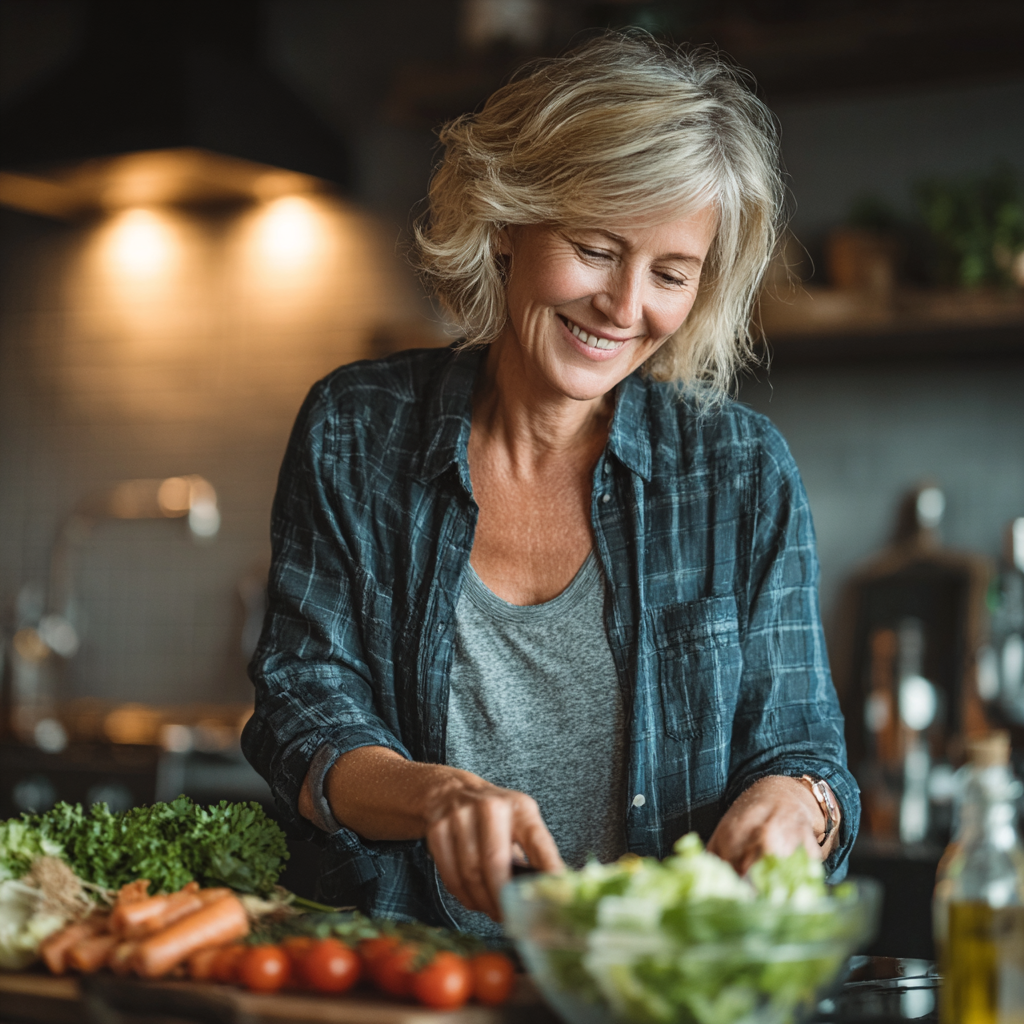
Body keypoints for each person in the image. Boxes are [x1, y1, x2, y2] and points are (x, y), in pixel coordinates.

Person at [242, 30, 858, 933]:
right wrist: (434, 795)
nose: (624, 306)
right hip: (409, 977)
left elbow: (806, 751)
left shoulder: (739, 472)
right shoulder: (358, 429)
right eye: (597, 248)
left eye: (671, 273)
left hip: (650, 986)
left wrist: (795, 806)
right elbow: (302, 709)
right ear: (506, 222)